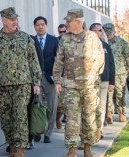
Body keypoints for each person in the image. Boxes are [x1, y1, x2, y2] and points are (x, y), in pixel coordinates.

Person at [0, 7, 42, 157]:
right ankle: (12, 145)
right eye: (11, 19)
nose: (14, 21)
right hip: (2, 86)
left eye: (15, 19)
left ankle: (20, 150)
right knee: (5, 118)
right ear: (3, 20)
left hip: (22, 84)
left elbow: (34, 61)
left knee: (20, 116)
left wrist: (36, 82)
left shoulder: (25, 38)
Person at [53, 9, 105, 157]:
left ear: (78, 22)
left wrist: (93, 73)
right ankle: (71, 151)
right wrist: (57, 80)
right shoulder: (64, 39)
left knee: (89, 117)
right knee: (71, 119)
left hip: (89, 86)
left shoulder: (92, 37)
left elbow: (100, 58)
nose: (66, 24)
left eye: (68, 21)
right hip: (70, 85)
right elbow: (58, 62)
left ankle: (87, 149)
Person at [103, 23, 129, 123]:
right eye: (106, 33)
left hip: (120, 73)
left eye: (110, 33)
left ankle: (122, 113)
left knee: (120, 94)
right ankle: (109, 114)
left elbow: (128, 55)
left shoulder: (121, 42)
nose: (108, 35)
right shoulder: (102, 43)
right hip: (107, 72)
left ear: (114, 31)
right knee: (108, 95)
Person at [34, 16, 59, 143]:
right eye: (37, 25)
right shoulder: (31, 40)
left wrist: (57, 79)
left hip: (50, 78)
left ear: (46, 26)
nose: (40, 26)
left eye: (42, 24)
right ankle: (38, 130)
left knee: (51, 106)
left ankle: (48, 133)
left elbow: (60, 60)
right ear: (35, 27)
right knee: (36, 106)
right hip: (35, 80)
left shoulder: (54, 40)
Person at [89, 23, 115, 133]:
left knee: (102, 106)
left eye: (101, 30)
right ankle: (91, 129)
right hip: (91, 81)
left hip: (104, 80)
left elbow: (111, 64)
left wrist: (112, 82)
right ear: (92, 32)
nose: (102, 32)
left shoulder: (106, 46)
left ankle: (99, 130)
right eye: (99, 30)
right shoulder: (86, 46)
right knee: (91, 106)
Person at [56, 23, 68, 129]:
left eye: (65, 31)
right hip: (60, 75)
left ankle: (66, 117)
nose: (63, 33)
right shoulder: (56, 42)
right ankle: (58, 117)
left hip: (70, 75)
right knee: (60, 103)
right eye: (61, 32)